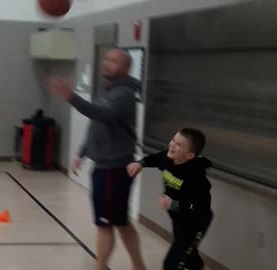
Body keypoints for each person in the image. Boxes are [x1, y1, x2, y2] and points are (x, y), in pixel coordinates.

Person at [47, 48, 146, 270]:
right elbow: (96, 124)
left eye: (114, 60)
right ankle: (139, 266)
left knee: (105, 224)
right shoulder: (106, 89)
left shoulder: (124, 94)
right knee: (120, 221)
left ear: (126, 68)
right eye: (106, 59)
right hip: (108, 166)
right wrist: (82, 153)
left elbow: (100, 114)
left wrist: (70, 96)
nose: (107, 63)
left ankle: (99, 267)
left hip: (114, 168)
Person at [127, 127, 213, 270]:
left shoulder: (195, 176)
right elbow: (154, 159)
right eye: (173, 140)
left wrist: (174, 204)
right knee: (189, 256)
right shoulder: (168, 159)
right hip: (179, 220)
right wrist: (140, 163)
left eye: (179, 145)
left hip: (195, 223)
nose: (172, 145)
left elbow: (198, 206)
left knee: (172, 263)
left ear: (190, 155)